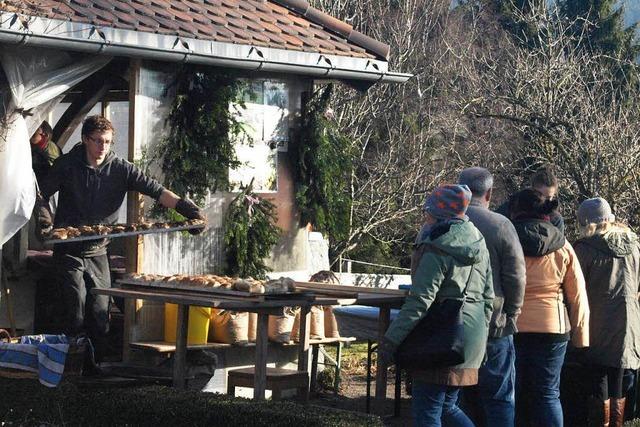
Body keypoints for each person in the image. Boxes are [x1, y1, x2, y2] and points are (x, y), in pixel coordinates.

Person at [37, 115, 205, 362]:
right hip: (68, 250)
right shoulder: (67, 164)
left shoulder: (121, 169)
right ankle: (70, 367)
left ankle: (97, 366)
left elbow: (156, 190)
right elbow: (41, 194)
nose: (102, 147)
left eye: (107, 141)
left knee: (100, 311)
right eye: (97, 141)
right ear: (85, 140)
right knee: (74, 310)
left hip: (98, 251)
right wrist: (44, 219)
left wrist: (186, 209)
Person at [379, 184, 494, 427]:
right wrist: (481, 342)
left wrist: (391, 340)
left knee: (427, 413)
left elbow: (420, 301)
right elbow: (488, 296)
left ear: (439, 214)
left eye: (428, 212)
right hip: (470, 336)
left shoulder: (437, 246)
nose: (426, 216)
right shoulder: (478, 241)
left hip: (440, 337)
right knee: (447, 407)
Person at [511, 188, 589, 427]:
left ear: (517, 210)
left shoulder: (508, 240)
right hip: (553, 327)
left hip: (513, 325)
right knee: (548, 394)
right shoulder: (563, 246)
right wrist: (581, 337)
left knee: (513, 392)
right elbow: (578, 295)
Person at [458, 167, 526, 427]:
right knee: (499, 398)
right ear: (489, 193)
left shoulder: (444, 221)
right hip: (494, 322)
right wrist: (513, 312)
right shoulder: (501, 224)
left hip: (454, 322)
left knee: (461, 397)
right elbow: (516, 276)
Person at [574, 198, 640, 427]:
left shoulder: (584, 249)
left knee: (598, 377)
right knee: (619, 379)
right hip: (629, 323)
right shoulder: (634, 246)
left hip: (596, 323)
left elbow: (575, 288)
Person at [497, 165, 565, 234]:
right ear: (531, 189)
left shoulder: (555, 219)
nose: (542, 200)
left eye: (548, 198)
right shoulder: (512, 207)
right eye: (539, 194)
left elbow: (558, 243)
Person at [30, 120, 61, 185]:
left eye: (36, 130)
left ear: (45, 135)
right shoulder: (35, 149)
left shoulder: (51, 148)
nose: (31, 133)